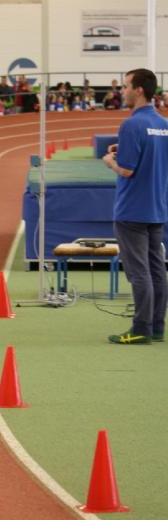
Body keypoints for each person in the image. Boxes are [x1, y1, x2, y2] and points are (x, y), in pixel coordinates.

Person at [102, 68, 168, 345]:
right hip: (157, 207)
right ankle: (157, 327)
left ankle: (141, 328)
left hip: (132, 209)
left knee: (139, 272)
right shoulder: (164, 124)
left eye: (126, 86)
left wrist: (110, 162)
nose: (122, 91)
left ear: (139, 89)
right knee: (157, 270)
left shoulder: (131, 124)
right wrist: (125, 149)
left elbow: (127, 170)